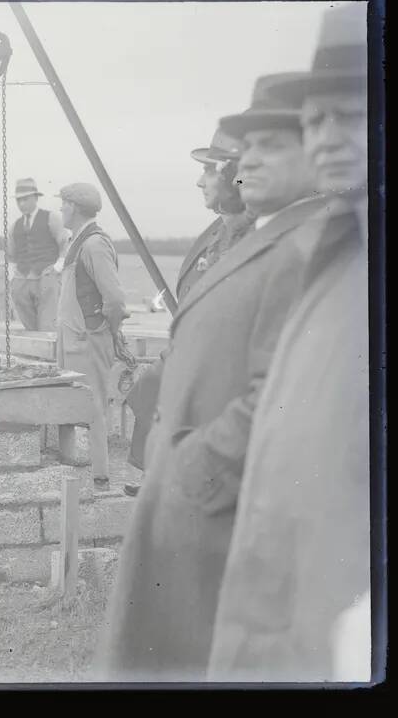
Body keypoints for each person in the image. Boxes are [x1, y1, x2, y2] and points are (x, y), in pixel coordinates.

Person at [96, 72, 326, 681]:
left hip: (224, 504)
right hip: (198, 500)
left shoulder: (311, 246)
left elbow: (286, 392)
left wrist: (193, 468)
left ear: (322, 152)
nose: (247, 164)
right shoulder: (266, 232)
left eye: (271, 147)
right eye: (244, 150)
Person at [208, 3, 372, 682]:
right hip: (286, 616)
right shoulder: (340, 250)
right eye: (313, 119)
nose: (326, 136)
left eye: (352, 113)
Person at [124, 129, 254, 492]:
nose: (200, 181)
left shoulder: (256, 240)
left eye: (210, 171)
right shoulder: (217, 231)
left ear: (234, 176)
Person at [55, 183, 129, 489]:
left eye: (63, 205)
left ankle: (100, 478)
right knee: (74, 403)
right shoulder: (76, 242)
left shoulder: (94, 244)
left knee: (95, 406)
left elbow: (115, 300)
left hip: (88, 339)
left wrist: (111, 334)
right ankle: (73, 474)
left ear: (73, 207)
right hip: (72, 339)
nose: (60, 210)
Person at [5, 177, 69, 331]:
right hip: (23, 277)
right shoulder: (15, 226)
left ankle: (47, 347)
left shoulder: (52, 218)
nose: (21, 204)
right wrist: (11, 275)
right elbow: (11, 254)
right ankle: (35, 346)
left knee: (48, 322)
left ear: (35, 198)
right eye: (18, 200)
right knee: (27, 318)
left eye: (25, 199)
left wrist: (58, 266)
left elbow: (65, 243)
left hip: (47, 276)